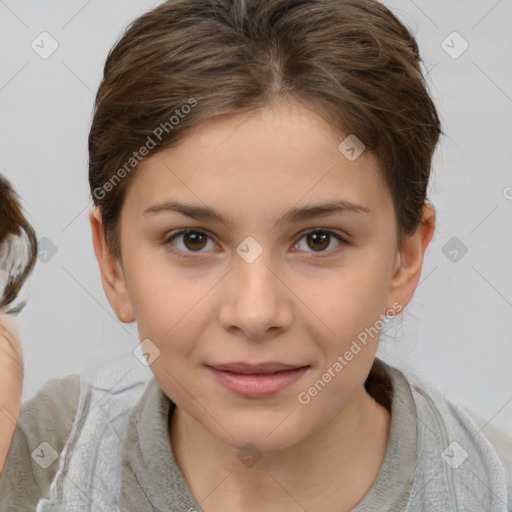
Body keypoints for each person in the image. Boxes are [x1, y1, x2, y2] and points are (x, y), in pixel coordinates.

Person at [0, 0, 510, 510]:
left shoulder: (492, 486)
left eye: (319, 240)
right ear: (113, 264)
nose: (255, 312)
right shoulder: (30, 461)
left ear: (406, 259)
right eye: (193, 240)